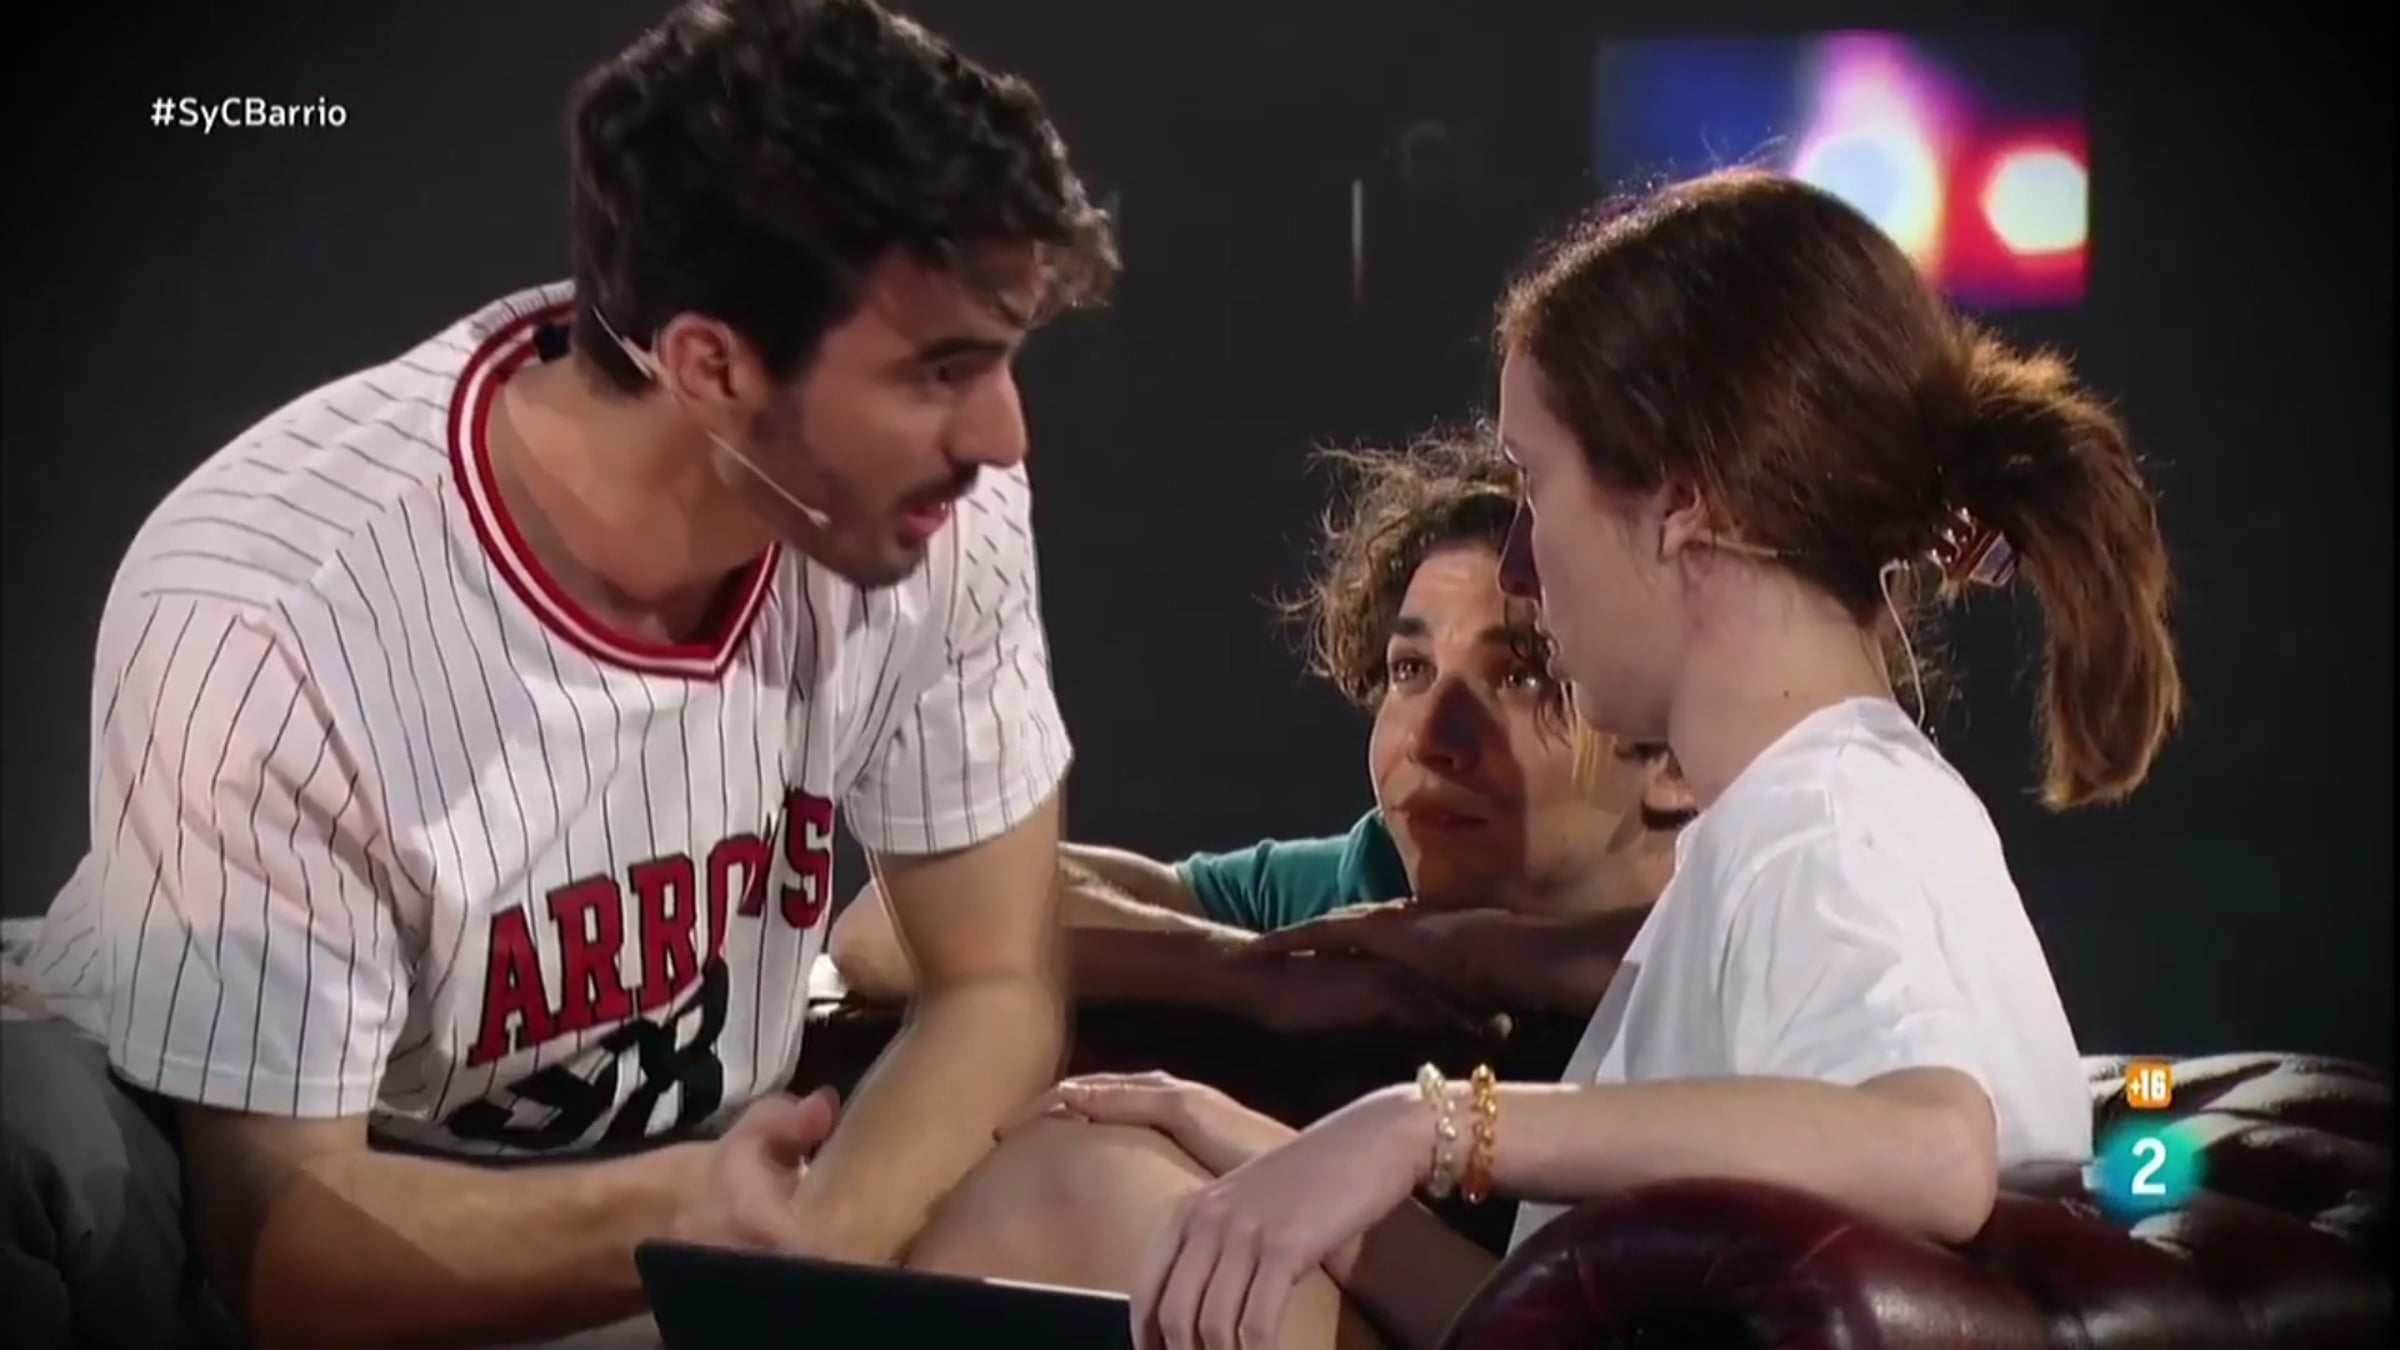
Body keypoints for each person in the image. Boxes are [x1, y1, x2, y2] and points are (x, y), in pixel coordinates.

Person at [896, 167, 2183, 1350]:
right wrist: (1271, 1148)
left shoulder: (1831, 818)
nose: (1520, 563)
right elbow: (1535, 1321)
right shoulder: (1804, 815)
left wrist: (1432, 1124)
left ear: (1682, 503)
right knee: (1099, 1180)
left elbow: (1934, 1149)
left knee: (1067, 1195)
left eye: (1535, 483)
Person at [0, 2, 1117, 1348]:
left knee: (1125, 1201)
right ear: (710, 364)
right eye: (942, 371)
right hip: (233, 1198)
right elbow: (276, 1237)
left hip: (690, 1195)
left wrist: (803, 1259)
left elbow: (993, 982)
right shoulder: (275, 608)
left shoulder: (932, 512)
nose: (1000, 432)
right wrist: (679, 1222)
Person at [824, 433, 1693, 1035]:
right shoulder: (1363, 891)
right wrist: (1242, 972)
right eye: (1409, 671)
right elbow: (881, 930)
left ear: (1669, 759)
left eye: (1521, 676)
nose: (1431, 736)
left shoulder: (1741, 926)